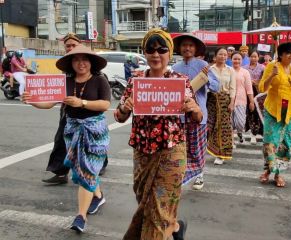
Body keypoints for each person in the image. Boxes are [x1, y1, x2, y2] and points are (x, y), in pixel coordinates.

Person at [114, 28, 202, 240]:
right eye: (150, 50)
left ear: (169, 53)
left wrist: (194, 108)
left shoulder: (180, 81)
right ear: (144, 53)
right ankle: (175, 228)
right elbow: (119, 116)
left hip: (171, 152)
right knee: (147, 203)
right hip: (143, 153)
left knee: (159, 206)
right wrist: (126, 107)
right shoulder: (136, 81)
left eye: (161, 49)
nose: (156, 54)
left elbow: (197, 117)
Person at [23, 44, 111, 232]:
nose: (81, 63)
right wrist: (32, 101)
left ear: (91, 62)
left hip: (95, 131)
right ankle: (98, 195)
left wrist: (82, 102)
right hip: (72, 130)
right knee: (81, 168)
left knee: (87, 169)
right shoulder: (65, 81)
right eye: (76, 59)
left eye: (85, 59)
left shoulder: (99, 80)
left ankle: (81, 216)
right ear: (71, 63)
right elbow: (48, 103)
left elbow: (105, 104)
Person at [258, 42, 291, 187]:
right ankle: (269, 171)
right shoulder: (272, 67)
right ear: (281, 54)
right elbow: (262, 87)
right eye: (288, 52)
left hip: (290, 113)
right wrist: (272, 76)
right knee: (271, 144)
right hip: (273, 112)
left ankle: (277, 174)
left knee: (286, 145)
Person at [172, 33, 219, 190]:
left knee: (197, 149)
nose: (187, 48)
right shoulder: (174, 68)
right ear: (179, 48)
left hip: (199, 115)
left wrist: (207, 79)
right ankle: (180, 175)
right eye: (184, 45)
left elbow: (216, 87)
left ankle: (199, 175)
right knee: (180, 149)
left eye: (191, 45)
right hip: (179, 117)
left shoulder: (203, 65)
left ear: (195, 48)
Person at [207, 47, 236, 165]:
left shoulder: (230, 70)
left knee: (223, 128)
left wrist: (232, 102)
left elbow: (233, 88)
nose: (223, 56)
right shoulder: (209, 69)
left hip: (225, 101)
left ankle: (221, 154)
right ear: (215, 56)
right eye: (220, 54)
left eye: (225, 55)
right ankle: (212, 148)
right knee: (211, 126)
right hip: (212, 101)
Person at [231, 52, 254, 143]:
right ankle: (231, 141)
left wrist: (251, 102)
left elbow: (249, 88)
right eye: (234, 59)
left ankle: (240, 132)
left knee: (240, 123)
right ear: (231, 59)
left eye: (238, 59)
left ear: (241, 60)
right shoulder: (227, 70)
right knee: (230, 123)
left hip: (241, 100)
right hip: (228, 100)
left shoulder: (245, 72)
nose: (236, 61)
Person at [243, 50, 265, 144]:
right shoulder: (244, 68)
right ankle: (252, 133)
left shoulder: (263, 67)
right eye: (252, 56)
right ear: (249, 57)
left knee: (260, 114)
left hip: (259, 94)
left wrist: (257, 81)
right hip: (248, 93)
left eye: (255, 56)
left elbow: (265, 79)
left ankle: (260, 134)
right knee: (251, 113)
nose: (253, 58)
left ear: (258, 57)